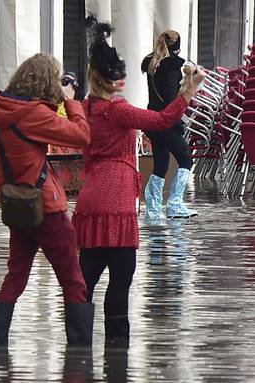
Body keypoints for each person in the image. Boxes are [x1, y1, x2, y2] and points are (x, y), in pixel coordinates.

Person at [72, 19, 205, 345]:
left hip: (89, 199)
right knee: (119, 283)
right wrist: (189, 90)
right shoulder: (119, 110)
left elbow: (86, 156)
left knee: (84, 281)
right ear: (114, 81)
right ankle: (117, 355)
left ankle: (77, 349)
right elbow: (162, 119)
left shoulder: (83, 108)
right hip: (117, 201)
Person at [0, 53, 93, 347]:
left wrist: (52, 101)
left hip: (16, 206)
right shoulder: (35, 115)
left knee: (16, 275)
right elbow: (82, 136)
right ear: (47, 81)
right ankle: (80, 354)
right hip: (46, 207)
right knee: (72, 279)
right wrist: (70, 100)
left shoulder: (0, 107)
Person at [141, 30, 198, 220]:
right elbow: (170, 98)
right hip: (165, 121)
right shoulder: (172, 66)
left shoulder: (152, 63)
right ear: (178, 47)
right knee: (185, 159)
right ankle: (174, 205)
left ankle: (153, 208)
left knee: (161, 164)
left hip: (152, 119)